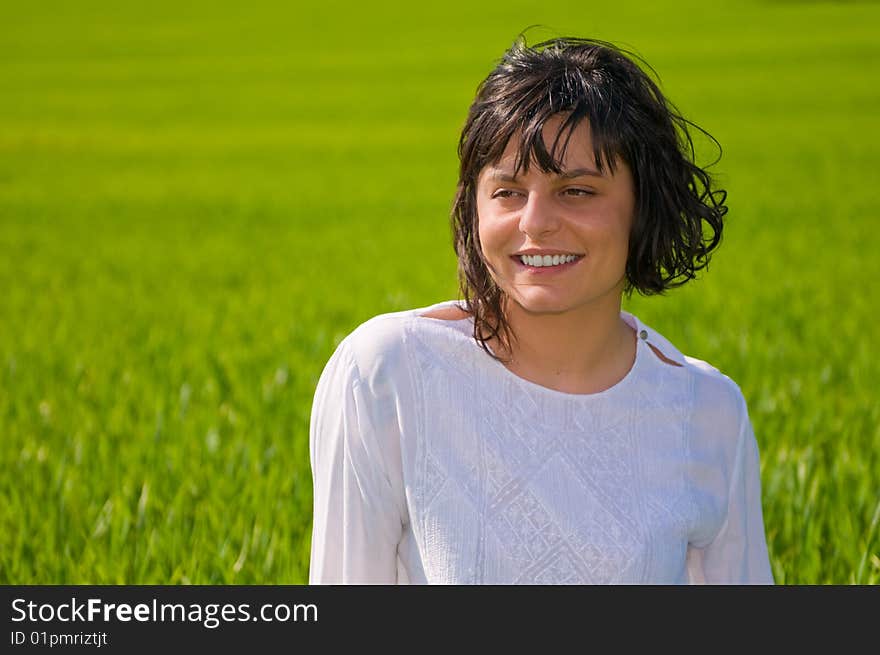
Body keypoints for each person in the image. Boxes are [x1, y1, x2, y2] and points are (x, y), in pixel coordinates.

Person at [308, 36, 774, 584]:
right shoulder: (387, 374)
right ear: (472, 208)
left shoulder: (707, 412)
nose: (535, 222)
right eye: (507, 191)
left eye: (576, 191)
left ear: (644, 206)